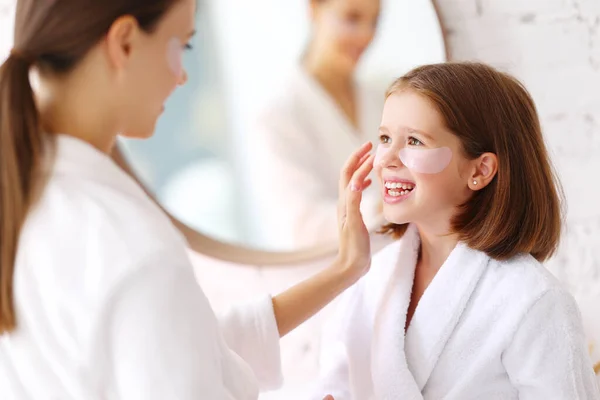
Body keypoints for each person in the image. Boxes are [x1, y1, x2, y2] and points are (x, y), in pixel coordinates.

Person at [0, 0, 376, 398]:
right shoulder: (132, 246)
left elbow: (193, 342)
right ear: (125, 42)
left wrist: (345, 269)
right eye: (182, 45)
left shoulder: (30, 199)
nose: (181, 76)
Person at [310, 62, 600, 399]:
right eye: (385, 137)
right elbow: (336, 382)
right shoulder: (372, 278)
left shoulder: (535, 300)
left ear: (480, 170)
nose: (385, 158)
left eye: (415, 141)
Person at [245, 0, 384, 250]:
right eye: (352, 18)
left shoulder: (384, 96)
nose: (366, 35)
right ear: (313, 9)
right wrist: (383, 205)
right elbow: (301, 227)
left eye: (374, 21)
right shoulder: (278, 118)